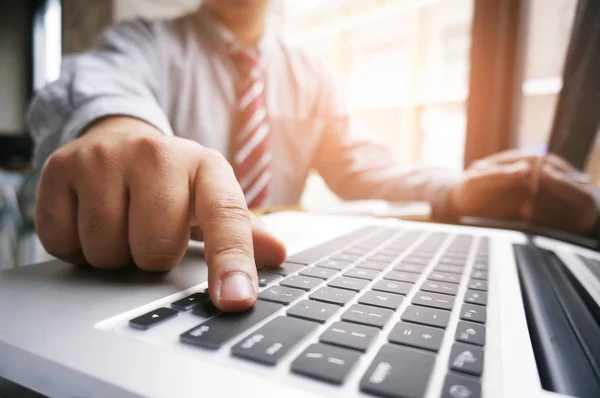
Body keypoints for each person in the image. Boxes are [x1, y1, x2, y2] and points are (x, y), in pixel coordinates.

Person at [28, 0, 598, 312]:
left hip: (274, 277)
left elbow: (357, 167)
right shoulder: (145, 42)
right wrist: (120, 124)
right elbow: (97, 82)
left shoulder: (309, 73)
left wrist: (460, 189)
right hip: (162, 278)